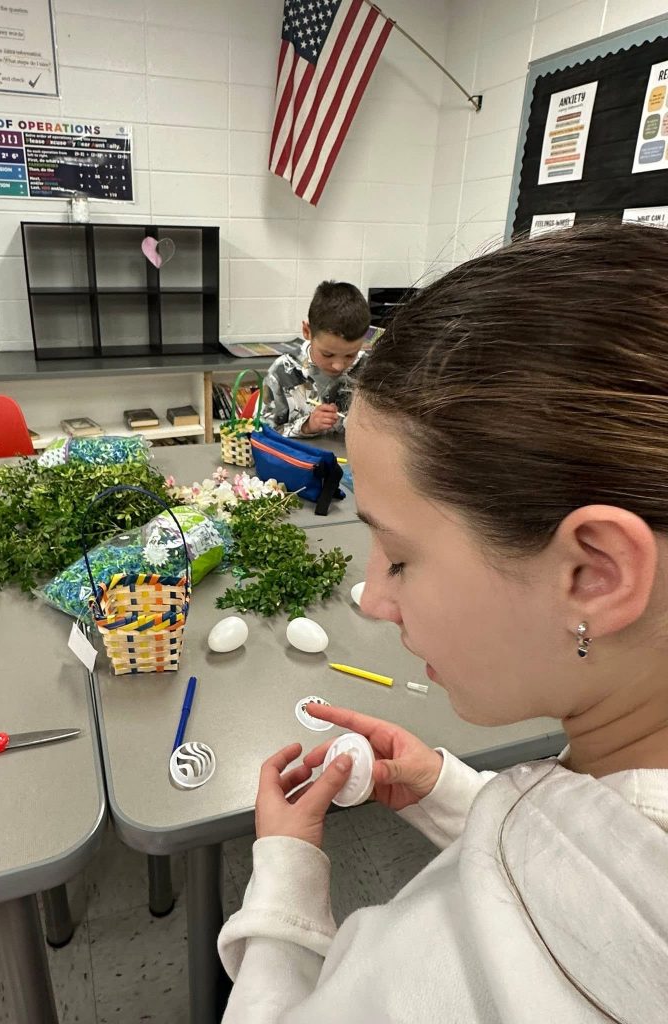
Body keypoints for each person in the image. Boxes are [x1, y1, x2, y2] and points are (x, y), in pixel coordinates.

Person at [218, 223, 668, 1023]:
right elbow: (595, 829)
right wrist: (453, 792)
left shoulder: (503, 960)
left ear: (595, 573)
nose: (372, 600)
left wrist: (284, 871)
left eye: (398, 556)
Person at [261, 280, 370, 437]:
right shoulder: (282, 372)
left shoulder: (369, 370)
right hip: (297, 453)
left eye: (350, 355)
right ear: (307, 332)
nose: (338, 366)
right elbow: (261, 431)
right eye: (327, 354)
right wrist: (305, 426)